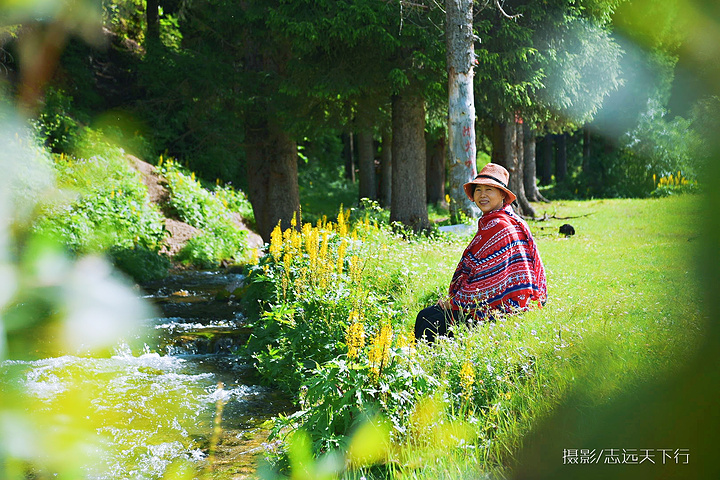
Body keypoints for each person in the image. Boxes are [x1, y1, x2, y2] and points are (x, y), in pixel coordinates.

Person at [415, 163, 547, 343]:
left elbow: (487, 284)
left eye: (489, 190)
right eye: (478, 190)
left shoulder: (500, 226)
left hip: (499, 309)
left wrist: (454, 302)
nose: (482, 195)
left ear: (502, 194)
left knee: (429, 321)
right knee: (427, 315)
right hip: (496, 301)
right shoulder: (495, 221)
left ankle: (432, 366)